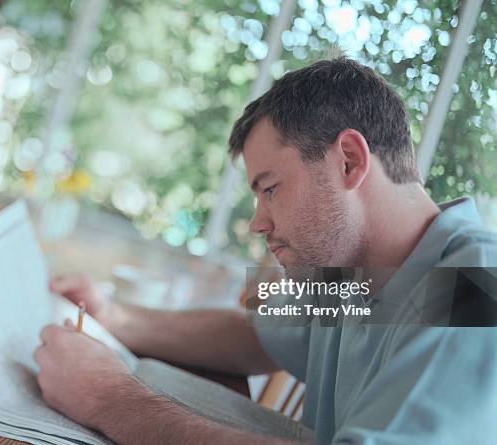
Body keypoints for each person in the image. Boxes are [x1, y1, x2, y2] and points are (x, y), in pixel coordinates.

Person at [34, 57, 497, 444]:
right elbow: (254, 336)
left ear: (349, 161)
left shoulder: (477, 282)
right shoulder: (355, 276)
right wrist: (115, 318)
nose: (258, 222)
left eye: (270, 188)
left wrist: (108, 399)